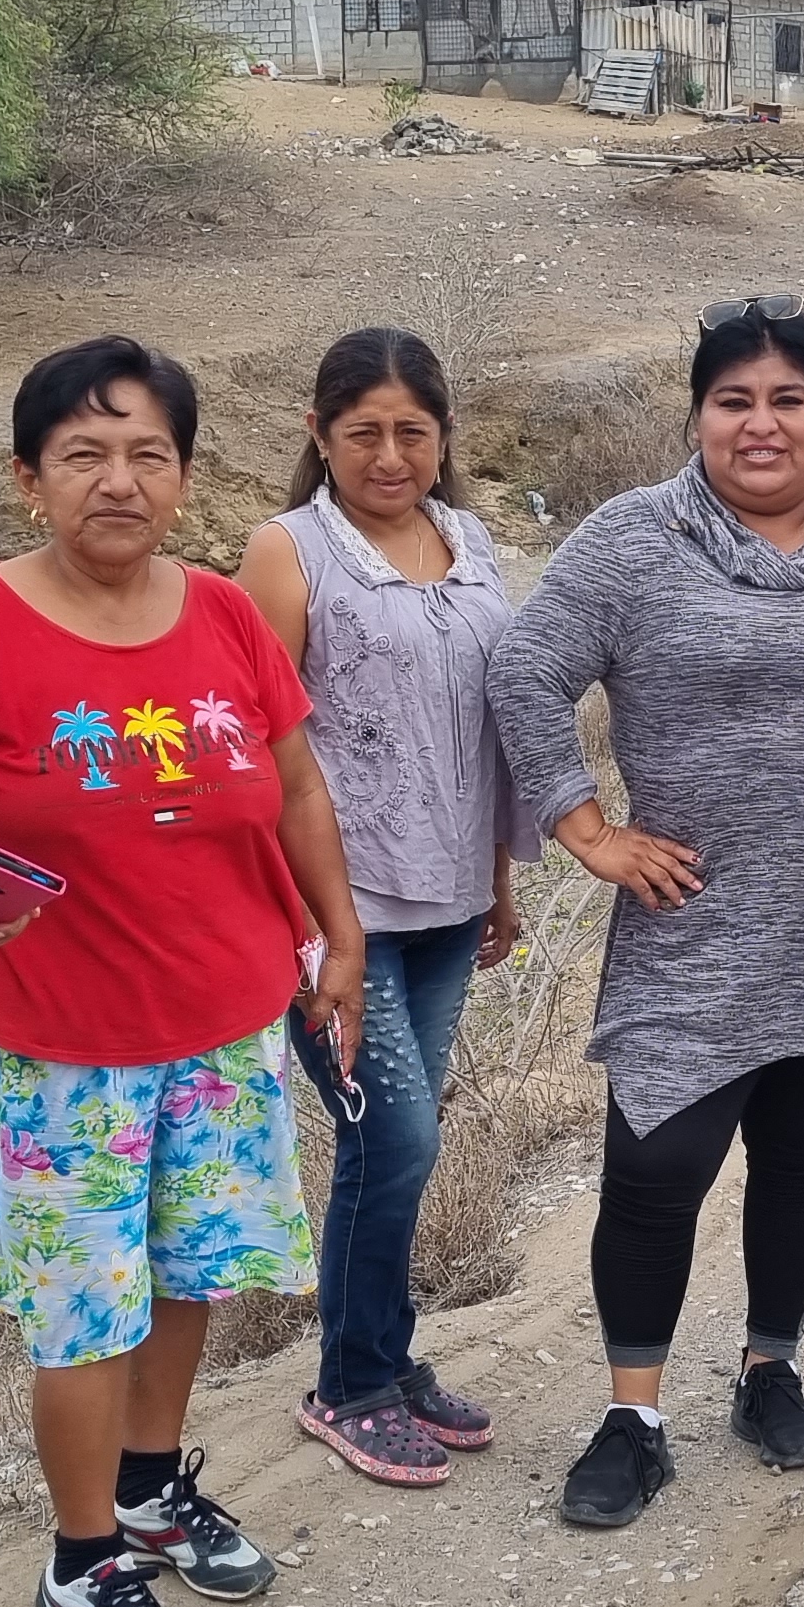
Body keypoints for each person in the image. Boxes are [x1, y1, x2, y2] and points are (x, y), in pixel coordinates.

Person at [0, 337, 369, 1607]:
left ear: (185, 475)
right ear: (27, 478)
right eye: (84, 454)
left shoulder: (221, 612)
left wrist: (341, 935)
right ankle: (82, 1558)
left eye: (148, 453)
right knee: (82, 1313)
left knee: (185, 1271)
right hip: (56, 1046)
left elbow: (295, 787)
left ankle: (153, 1490)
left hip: (221, 1020)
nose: (119, 481)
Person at [487, 296, 804, 1532]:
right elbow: (526, 669)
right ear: (698, 417)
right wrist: (585, 829)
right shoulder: (633, 541)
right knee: (655, 1168)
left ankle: (771, 1371)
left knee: (801, 1155)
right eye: (734, 401)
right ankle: (634, 1418)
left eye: (788, 400)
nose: (760, 424)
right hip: (693, 915)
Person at [240, 327, 535, 1487]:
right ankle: (350, 1384)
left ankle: (386, 1360)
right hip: (338, 908)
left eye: (414, 431)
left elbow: (489, 721)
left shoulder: (469, 541)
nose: (390, 455)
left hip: (449, 896)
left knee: (398, 1147)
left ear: (445, 437)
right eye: (362, 432)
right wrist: (318, 927)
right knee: (395, 1137)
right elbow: (261, 749)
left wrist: (499, 878)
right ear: (318, 434)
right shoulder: (287, 553)